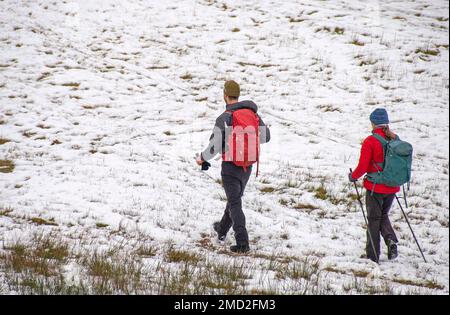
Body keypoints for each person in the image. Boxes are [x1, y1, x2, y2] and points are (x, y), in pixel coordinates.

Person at [196, 80, 271, 253]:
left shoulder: (225, 117)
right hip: (248, 165)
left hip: (230, 166)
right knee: (234, 199)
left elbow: (215, 145)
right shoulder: (252, 114)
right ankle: (222, 229)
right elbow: (266, 137)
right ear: (237, 95)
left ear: (225, 95)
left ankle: (242, 242)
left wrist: (202, 158)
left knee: (235, 202)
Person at [349, 108, 400, 262]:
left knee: (373, 219)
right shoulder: (395, 140)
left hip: (375, 188)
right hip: (392, 186)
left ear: (373, 123)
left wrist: (353, 176)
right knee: (383, 215)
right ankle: (390, 240)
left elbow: (363, 166)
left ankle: (373, 256)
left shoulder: (370, 141)